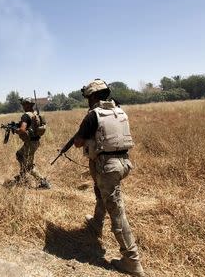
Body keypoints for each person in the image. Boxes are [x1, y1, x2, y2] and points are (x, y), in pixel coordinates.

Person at [71, 79, 144, 276]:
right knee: (101, 192)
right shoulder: (119, 111)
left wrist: (84, 137)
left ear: (93, 96)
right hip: (123, 163)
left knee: (117, 211)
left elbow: (78, 142)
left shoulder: (92, 115)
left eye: (88, 97)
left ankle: (132, 261)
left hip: (107, 167)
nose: (87, 101)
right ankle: (96, 223)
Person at [11, 97, 51, 189]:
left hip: (30, 143)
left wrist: (15, 130)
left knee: (29, 166)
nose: (23, 106)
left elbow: (22, 130)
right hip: (35, 142)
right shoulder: (35, 114)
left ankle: (43, 182)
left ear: (28, 105)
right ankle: (22, 176)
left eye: (24, 104)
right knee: (19, 154)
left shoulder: (26, 115)